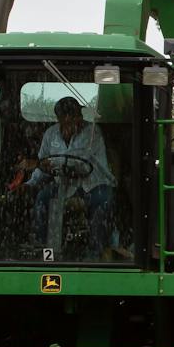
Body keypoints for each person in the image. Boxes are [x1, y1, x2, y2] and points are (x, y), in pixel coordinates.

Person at [29, 96, 116, 258]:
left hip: (94, 184)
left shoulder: (92, 132)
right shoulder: (50, 134)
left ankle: (95, 252)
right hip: (63, 185)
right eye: (70, 116)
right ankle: (44, 249)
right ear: (61, 118)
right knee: (42, 198)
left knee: (104, 200)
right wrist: (31, 182)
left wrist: (55, 164)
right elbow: (42, 162)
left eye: (78, 115)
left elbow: (81, 161)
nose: (78, 119)